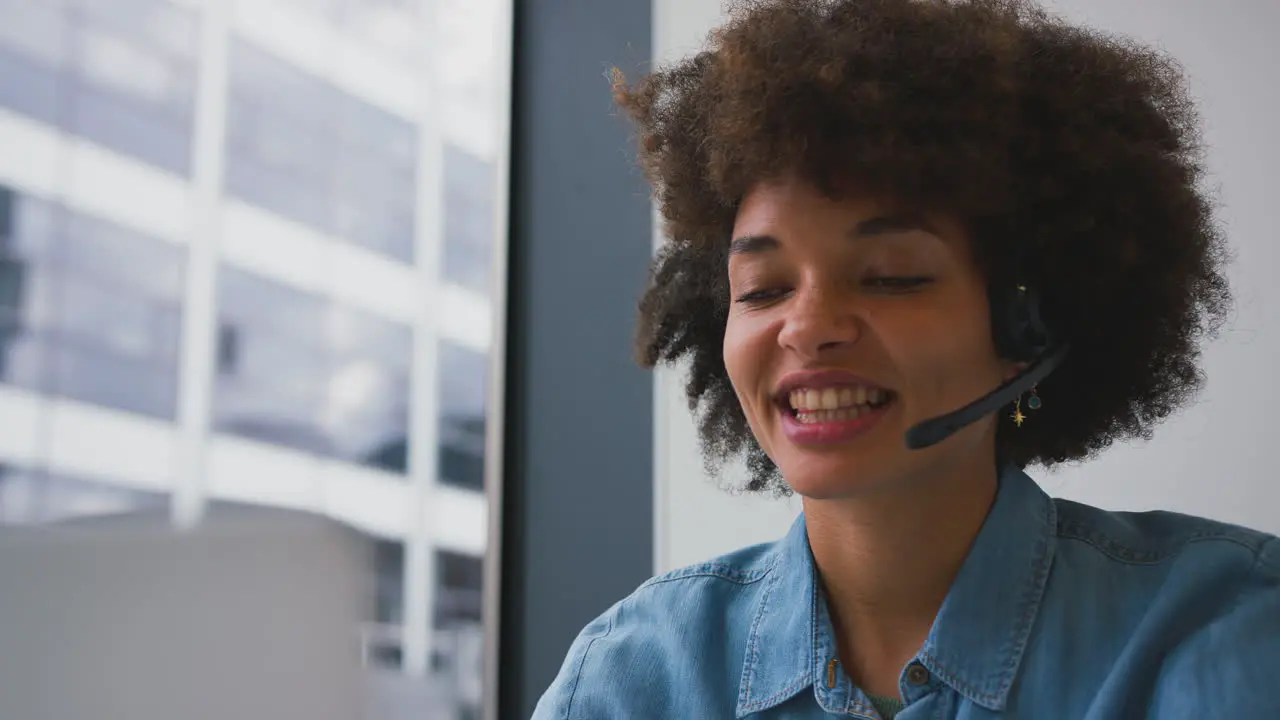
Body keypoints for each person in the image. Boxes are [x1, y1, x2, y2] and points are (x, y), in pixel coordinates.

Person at [533, 0, 1279, 718]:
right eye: (762, 289)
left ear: (1029, 323)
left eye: (892, 277)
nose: (809, 327)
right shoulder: (631, 678)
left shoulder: (1226, 626)